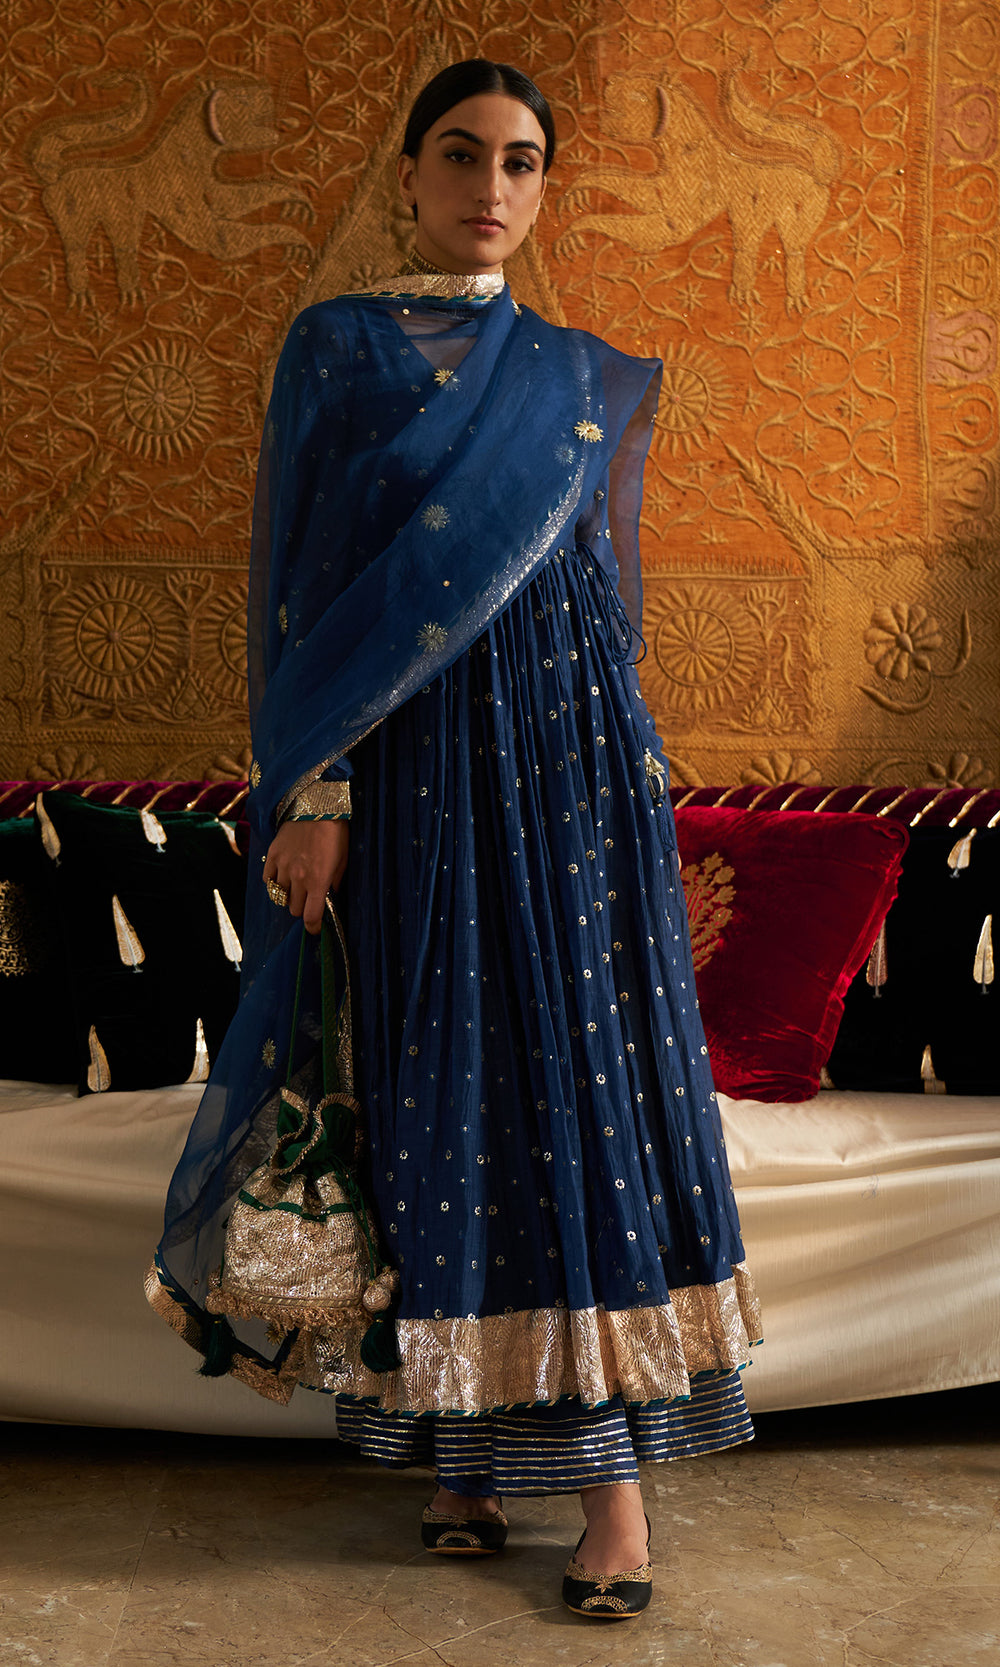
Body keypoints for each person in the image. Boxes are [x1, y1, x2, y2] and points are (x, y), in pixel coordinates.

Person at [147, 59, 761, 1620]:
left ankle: (614, 1499)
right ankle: (463, 1460)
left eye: (522, 160)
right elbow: (307, 595)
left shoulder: (572, 372)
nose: (493, 185)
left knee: (573, 1090)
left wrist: (632, 784)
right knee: (435, 1091)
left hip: (570, 771)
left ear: (544, 187)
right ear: (411, 174)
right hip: (414, 775)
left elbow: (601, 602)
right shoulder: (337, 350)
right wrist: (317, 795)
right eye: (463, 154)